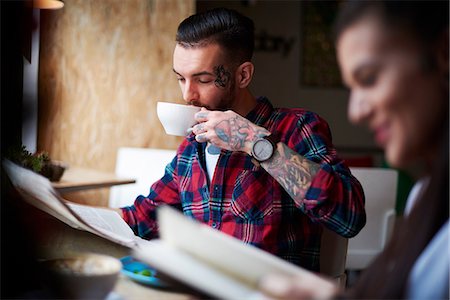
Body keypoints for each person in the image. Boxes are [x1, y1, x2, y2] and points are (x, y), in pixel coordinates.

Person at [119, 7, 366, 272]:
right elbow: (143, 218)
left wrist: (252, 142)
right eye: (181, 78)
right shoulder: (192, 147)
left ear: (243, 75)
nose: (188, 95)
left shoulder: (297, 128)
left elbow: (349, 217)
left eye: (203, 80)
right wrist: (74, 216)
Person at [258, 1, 449, 299]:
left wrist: (257, 146)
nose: (355, 112)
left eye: (369, 79)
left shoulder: (297, 127)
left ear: (445, 54)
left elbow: (348, 216)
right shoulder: (424, 195)